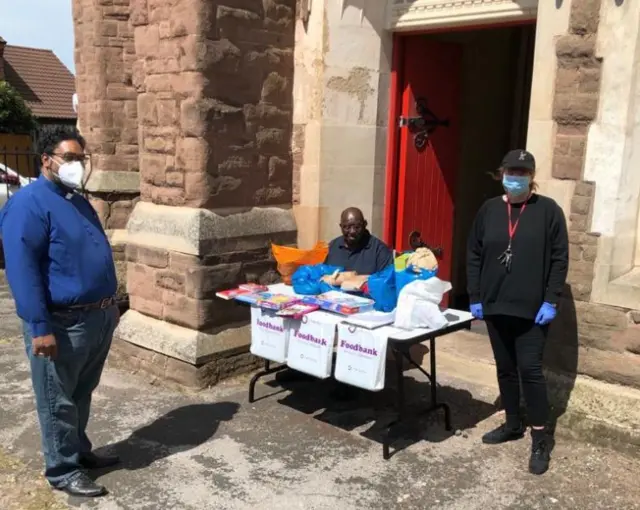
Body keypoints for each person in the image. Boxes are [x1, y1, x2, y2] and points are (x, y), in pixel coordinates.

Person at [0, 126, 120, 497]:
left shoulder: (75, 198)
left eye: (81, 158)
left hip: (97, 317)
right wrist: (40, 327)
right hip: (61, 322)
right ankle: (62, 469)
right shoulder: (28, 203)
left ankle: (78, 451)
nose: (77, 165)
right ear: (46, 160)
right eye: (70, 158)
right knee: (57, 399)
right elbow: (22, 269)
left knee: (82, 392)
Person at [466, 149, 568, 475]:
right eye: (511, 171)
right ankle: (512, 423)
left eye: (522, 173)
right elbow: (474, 254)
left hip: (532, 311)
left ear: (531, 177)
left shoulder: (548, 211)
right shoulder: (489, 210)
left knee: (530, 371)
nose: (516, 177)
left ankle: (540, 437)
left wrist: (551, 299)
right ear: (502, 173)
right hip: (495, 306)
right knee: (505, 369)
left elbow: (559, 259)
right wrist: (476, 295)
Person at [326, 207, 393, 274]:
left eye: (357, 227)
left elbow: (386, 280)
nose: (352, 231)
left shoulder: (379, 251)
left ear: (365, 224)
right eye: (347, 227)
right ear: (341, 226)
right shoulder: (331, 248)